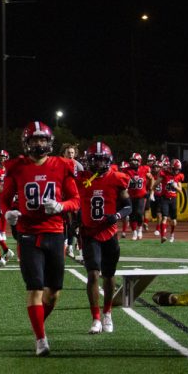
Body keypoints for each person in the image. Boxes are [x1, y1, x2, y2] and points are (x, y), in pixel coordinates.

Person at [1, 121, 80, 356]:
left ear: (50, 142)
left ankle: (38, 324)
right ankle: (41, 339)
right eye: (35, 140)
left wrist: (60, 205)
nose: (39, 144)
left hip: (55, 232)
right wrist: (8, 212)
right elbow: (4, 198)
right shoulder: (16, 166)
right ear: (26, 143)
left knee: (54, 293)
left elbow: (75, 200)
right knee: (35, 287)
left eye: (43, 139)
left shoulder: (62, 165)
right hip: (28, 232)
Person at [76, 143, 131, 334]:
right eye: (95, 159)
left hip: (109, 234)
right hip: (90, 234)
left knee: (108, 276)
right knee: (93, 274)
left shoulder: (117, 178)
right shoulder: (81, 179)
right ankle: (96, 318)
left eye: (102, 159)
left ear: (108, 160)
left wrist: (115, 217)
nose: (98, 163)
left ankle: (107, 312)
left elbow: (127, 206)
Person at [125, 153, 152, 240]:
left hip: (141, 195)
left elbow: (152, 178)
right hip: (131, 196)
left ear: (139, 161)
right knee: (132, 214)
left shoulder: (144, 169)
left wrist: (149, 189)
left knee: (140, 214)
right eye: (132, 160)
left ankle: (140, 229)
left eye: (135, 160)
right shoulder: (127, 170)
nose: (133, 162)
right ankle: (134, 232)